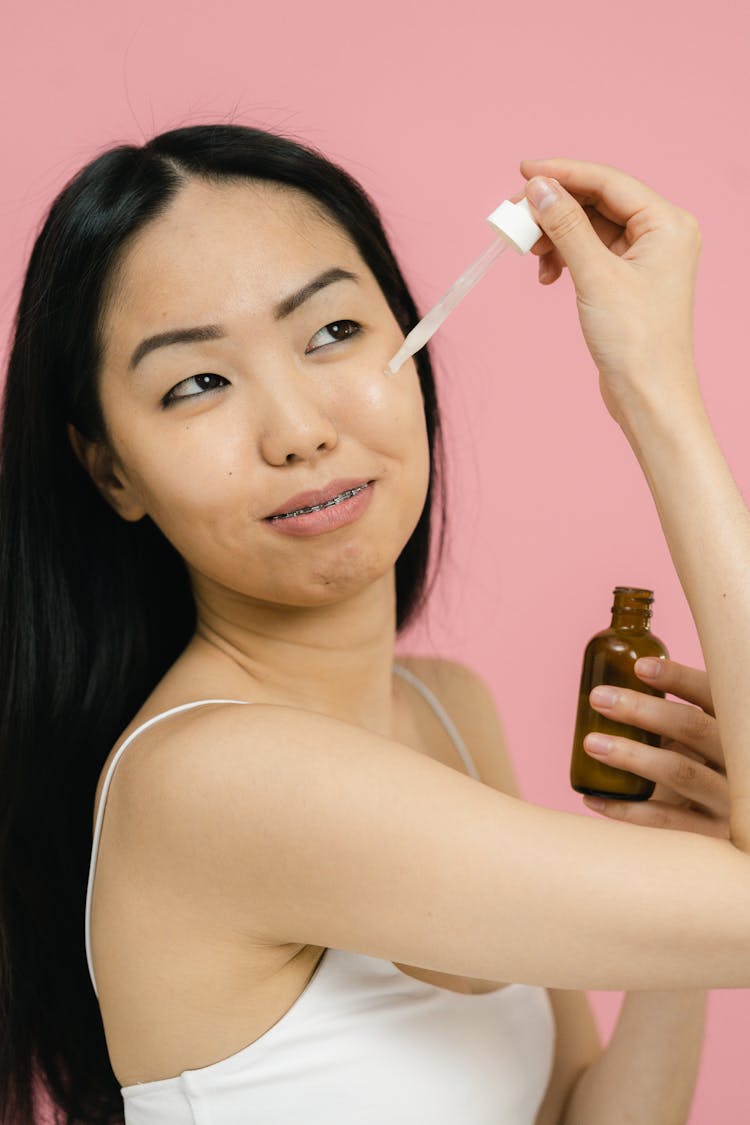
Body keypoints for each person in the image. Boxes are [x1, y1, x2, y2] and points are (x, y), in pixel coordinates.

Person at [0, 125, 746, 1125]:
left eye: (335, 333)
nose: (300, 428)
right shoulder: (215, 781)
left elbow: (579, 1111)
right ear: (112, 470)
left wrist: (688, 845)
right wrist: (653, 392)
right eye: (197, 384)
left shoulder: (446, 710)